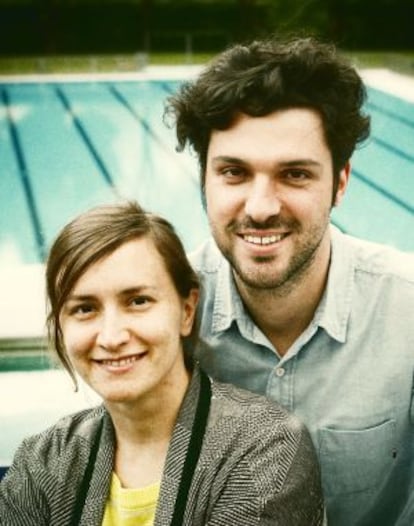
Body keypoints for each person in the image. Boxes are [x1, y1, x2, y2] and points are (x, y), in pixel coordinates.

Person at [166, 36, 414, 526]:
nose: (260, 208)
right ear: (204, 181)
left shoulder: (405, 308)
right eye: (234, 172)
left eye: (295, 175)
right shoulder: (163, 316)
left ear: (340, 183)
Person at [0, 202, 324, 526]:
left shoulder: (265, 447)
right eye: (84, 308)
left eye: (138, 301)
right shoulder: (43, 460)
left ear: (186, 310)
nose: (111, 337)